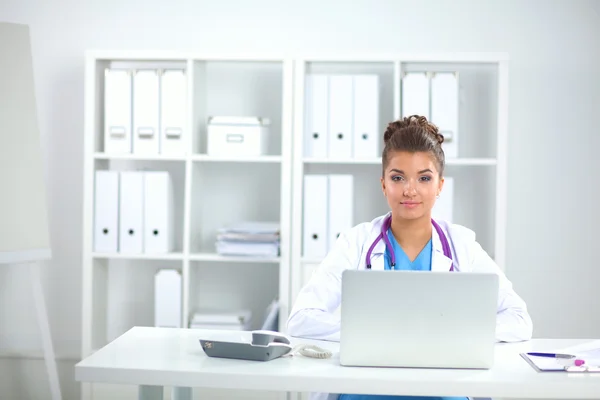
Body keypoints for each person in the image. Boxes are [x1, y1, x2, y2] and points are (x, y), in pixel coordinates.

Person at [287, 115, 533, 400]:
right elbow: (301, 319)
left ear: (440, 185)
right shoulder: (355, 243)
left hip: (442, 391)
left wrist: (456, 334)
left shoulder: (461, 245)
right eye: (397, 177)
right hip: (366, 391)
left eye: (424, 178)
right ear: (383, 184)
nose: (410, 190)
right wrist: (371, 333)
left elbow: (519, 319)